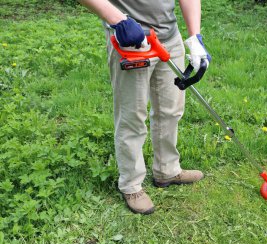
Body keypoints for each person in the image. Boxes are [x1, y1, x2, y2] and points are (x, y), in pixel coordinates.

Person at [78, 0, 211, 215]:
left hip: (170, 37)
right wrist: (118, 19)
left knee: (171, 109)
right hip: (131, 39)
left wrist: (195, 37)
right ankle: (131, 184)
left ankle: (167, 170)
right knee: (132, 115)